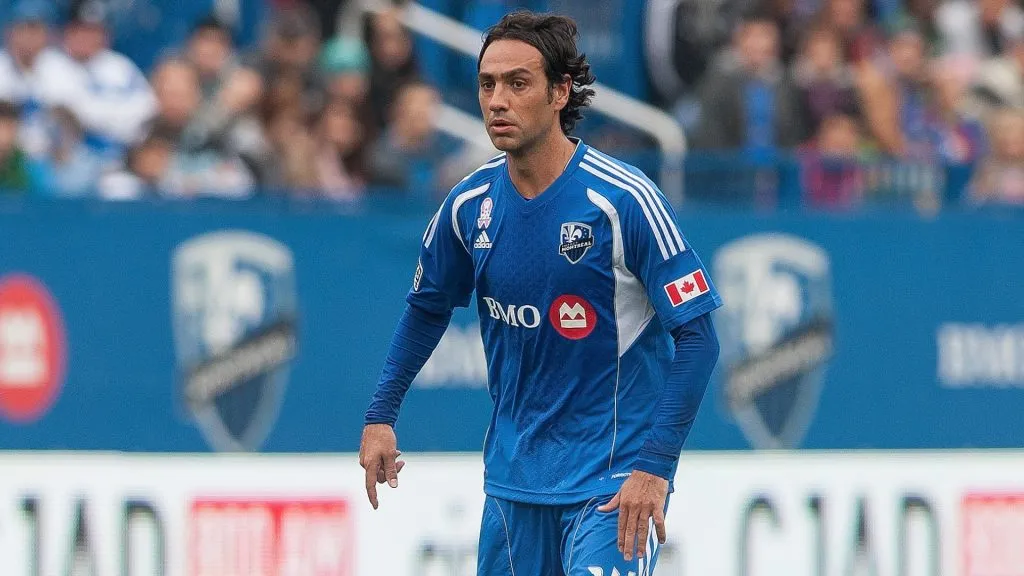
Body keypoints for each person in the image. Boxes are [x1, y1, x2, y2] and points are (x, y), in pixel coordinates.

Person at [359, 11, 721, 576]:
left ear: (560, 92)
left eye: (518, 83)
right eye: (487, 84)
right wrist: (381, 414)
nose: (497, 101)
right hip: (514, 486)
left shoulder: (624, 201)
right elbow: (426, 308)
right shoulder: (468, 205)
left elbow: (698, 338)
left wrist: (655, 467)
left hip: (613, 484)